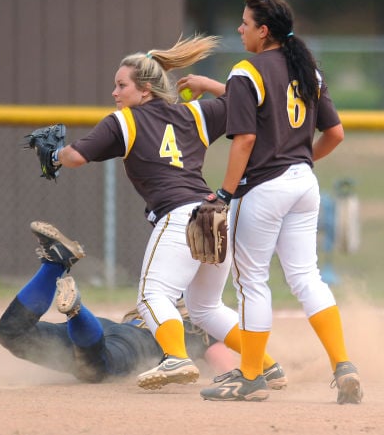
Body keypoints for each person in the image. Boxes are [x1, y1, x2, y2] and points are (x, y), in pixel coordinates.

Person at [29, 35, 287, 390]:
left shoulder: (123, 122)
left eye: (122, 86)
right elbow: (246, 101)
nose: (116, 93)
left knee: (152, 296)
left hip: (179, 215)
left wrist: (52, 156)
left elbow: (74, 156)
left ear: (146, 90)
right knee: (206, 308)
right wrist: (207, 85)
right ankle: (266, 365)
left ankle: (176, 358)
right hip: (213, 215)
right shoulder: (196, 112)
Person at [182, 0, 362, 404]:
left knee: (252, 283)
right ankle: (343, 365)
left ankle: (249, 376)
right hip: (304, 184)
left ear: (264, 32)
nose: (239, 29)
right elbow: (334, 134)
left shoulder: (248, 69)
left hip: (263, 188)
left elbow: (245, 138)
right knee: (306, 278)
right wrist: (299, 161)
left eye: (245, 23)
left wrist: (224, 194)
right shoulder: (308, 71)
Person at [0, 220, 289, 387]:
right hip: (130, 347)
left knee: (11, 334)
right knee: (97, 369)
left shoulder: (154, 304)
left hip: (110, 330)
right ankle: (75, 311)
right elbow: (224, 365)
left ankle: (55, 267)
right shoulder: (203, 322)